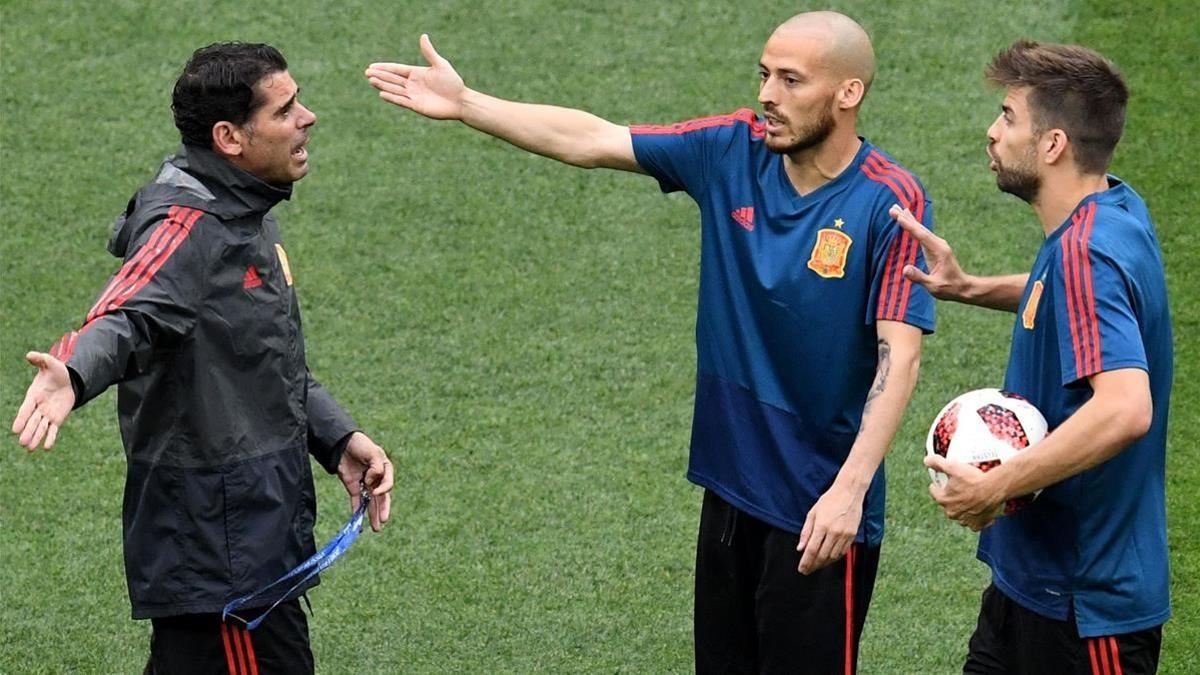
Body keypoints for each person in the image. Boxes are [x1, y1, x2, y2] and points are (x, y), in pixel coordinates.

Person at [366, 11, 934, 672]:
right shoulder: (732, 149)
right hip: (731, 489)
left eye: (789, 79)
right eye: (764, 75)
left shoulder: (888, 200)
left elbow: (902, 355)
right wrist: (468, 105)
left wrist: (849, 488)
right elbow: (594, 138)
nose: (767, 95)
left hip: (819, 510)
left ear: (847, 93)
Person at [11, 42, 395, 675]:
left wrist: (336, 436)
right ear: (230, 137)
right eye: (286, 109)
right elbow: (129, 312)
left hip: (248, 543)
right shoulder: (186, 228)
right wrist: (72, 370)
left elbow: (259, 360)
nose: (308, 118)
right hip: (223, 559)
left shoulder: (244, 213)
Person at [893, 40, 1171, 674]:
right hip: (1030, 588)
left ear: (1052, 146)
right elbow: (1071, 293)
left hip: (1084, 606)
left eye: (1009, 116)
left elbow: (1127, 409)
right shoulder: (1111, 212)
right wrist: (968, 288)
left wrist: (997, 485)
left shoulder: (1085, 252)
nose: (992, 133)